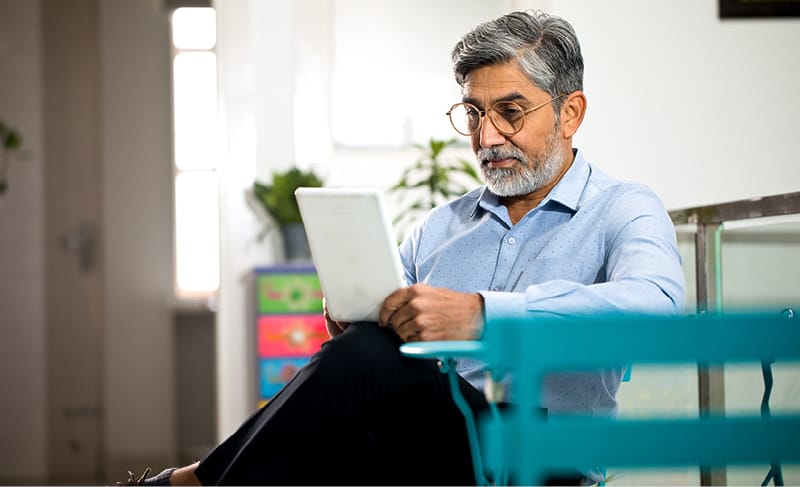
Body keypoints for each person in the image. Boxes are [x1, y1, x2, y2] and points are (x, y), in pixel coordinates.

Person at [119, 9, 685, 486]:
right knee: (354, 366)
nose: (487, 139)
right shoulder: (440, 227)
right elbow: (384, 366)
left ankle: (190, 482)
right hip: (426, 449)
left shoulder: (623, 207)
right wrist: (360, 321)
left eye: (510, 112)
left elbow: (658, 309)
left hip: (546, 457)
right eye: (473, 114)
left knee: (358, 369)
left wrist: (481, 316)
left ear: (570, 113)